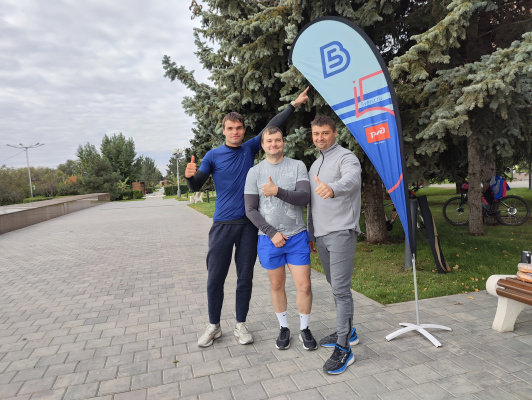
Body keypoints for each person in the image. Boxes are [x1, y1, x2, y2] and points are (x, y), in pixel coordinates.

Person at [185, 88, 309, 347]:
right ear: (224, 130)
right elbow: (196, 185)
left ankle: (240, 325)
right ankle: (213, 325)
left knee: (245, 278)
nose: (235, 132)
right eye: (230, 128)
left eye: (239, 128)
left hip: (248, 227)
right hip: (222, 225)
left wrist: (293, 105)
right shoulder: (213, 155)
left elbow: (272, 125)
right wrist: (189, 176)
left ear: (243, 130)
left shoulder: (250, 148)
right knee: (215, 277)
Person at [244, 126, 317, 351]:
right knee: (277, 284)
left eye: (277, 140)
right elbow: (250, 209)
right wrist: (271, 232)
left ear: (283, 142)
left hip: (296, 236)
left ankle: (304, 328)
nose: (273, 144)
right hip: (269, 239)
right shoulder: (254, 172)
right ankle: (284, 327)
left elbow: (304, 198)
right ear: (263, 145)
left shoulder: (297, 166)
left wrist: (277, 191)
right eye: (269, 141)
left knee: (304, 285)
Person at [307, 115, 361, 374]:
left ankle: (344, 348)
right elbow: (312, 203)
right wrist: (311, 234)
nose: (320, 138)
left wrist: (333, 188)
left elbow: (352, 179)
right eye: (316, 134)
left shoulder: (346, 157)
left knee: (340, 290)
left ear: (335, 133)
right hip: (321, 235)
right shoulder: (315, 163)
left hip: (341, 232)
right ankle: (348, 331)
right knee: (334, 284)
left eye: (325, 133)